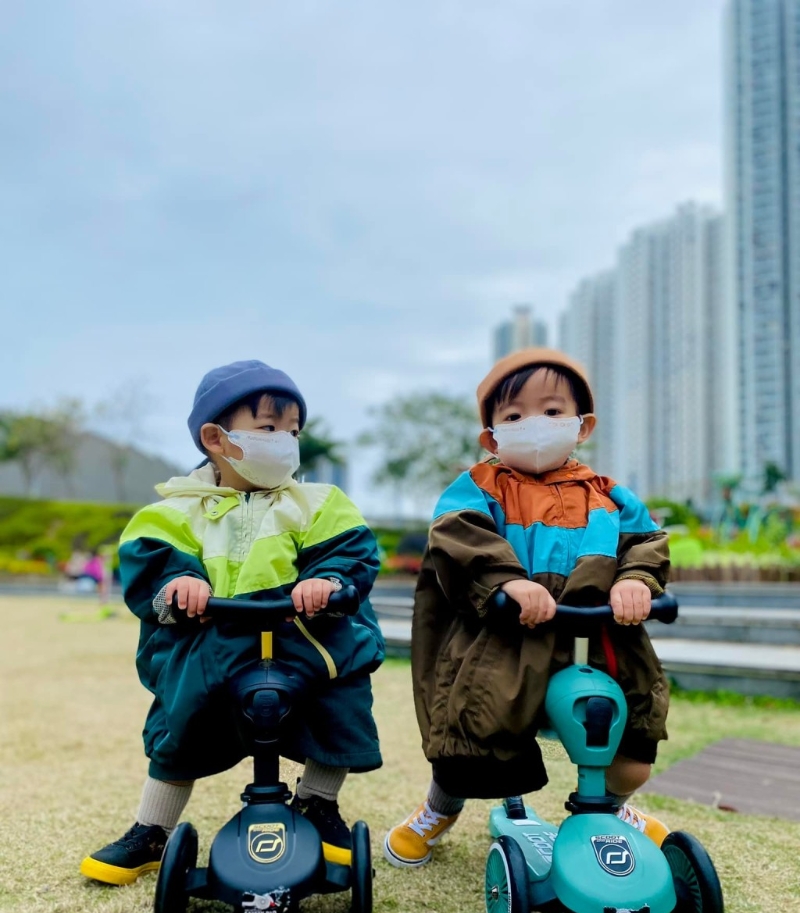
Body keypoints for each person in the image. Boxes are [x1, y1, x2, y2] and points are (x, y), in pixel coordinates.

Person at [81, 360, 384, 885]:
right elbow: (149, 560)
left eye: (293, 432)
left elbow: (350, 552)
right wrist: (179, 583)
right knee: (181, 717)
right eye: (268, 429)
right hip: (211, 635)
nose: (285, 442)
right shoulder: (176, 509)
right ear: (214, 437)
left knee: (343, 693)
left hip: (301, 632)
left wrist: (328, 580)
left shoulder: (316, 502)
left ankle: (317, 802)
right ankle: (152, 829)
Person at [384, 348, 670, 869]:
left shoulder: (609, 497)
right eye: (514, 416)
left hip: (600, 636)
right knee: (470, 735)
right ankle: (439, 809)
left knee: (630, 742)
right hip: (507, 638)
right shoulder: (479, 487)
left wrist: (635, 578)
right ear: (492, 437)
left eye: (553, 411)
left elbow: (646, 541)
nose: (534, 425)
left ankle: (610, 808)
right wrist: (508, 580)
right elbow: (456, 535)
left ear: (582, 426)